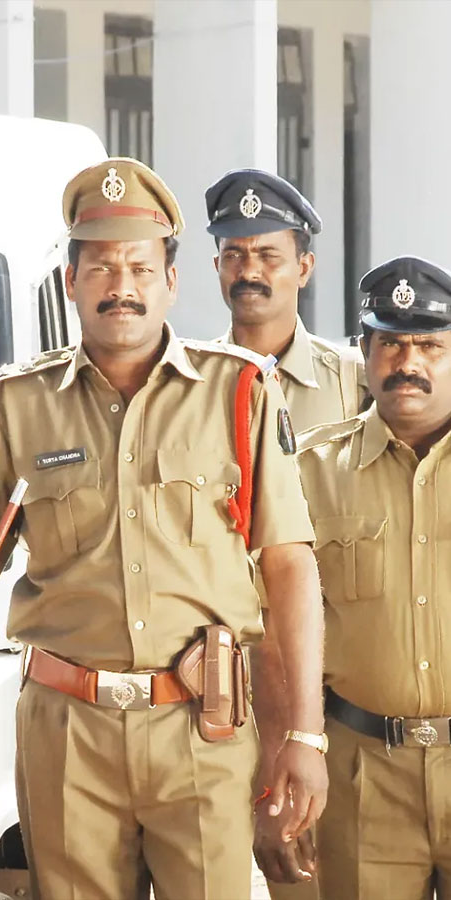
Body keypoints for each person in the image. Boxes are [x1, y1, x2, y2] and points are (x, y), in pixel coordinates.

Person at [0, 157, 327, 900]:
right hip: (66, 733)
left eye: (141, 268)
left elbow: (288, 567)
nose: (123, 287)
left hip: (201, 731)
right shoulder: (15, 404)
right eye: (102, 268)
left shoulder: (240, 391)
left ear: (171, 281)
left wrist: (303, 734)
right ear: (73, 282)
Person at [204, 168, 367, 898]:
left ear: (303, 265)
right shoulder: (187, 385)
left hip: (335, 683)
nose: (251, 272)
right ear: (214, 268)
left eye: (268, 255)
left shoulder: (357, 382)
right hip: (222, 689)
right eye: (235, 255)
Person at [292, 256, 451, 900]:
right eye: (389, 343)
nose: (406, 361)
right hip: (360, 769)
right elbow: (270, 630)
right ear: (364, 353)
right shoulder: (308, 470)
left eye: (429, 345)